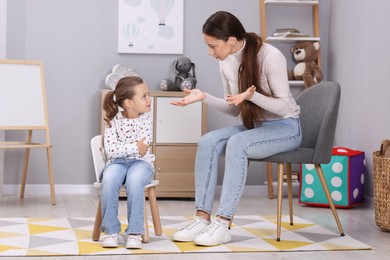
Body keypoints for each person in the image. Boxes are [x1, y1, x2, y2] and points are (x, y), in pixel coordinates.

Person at [171, 11, 302, 247]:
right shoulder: (226, 63)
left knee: (237, 143)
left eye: (213, 46)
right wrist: (203, 97)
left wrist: (252, 97)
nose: (210, 52)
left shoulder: (270, 56)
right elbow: (234, 108)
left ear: (231, 39)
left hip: (286, 127)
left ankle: (222, 223)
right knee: (208, 141)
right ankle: (202, 218)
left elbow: (283, 107)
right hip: (257, 127)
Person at [100, 76, 155, 249]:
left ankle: (135, 232)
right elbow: (111, 151)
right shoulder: (112, 120)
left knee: (134, 181)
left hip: (141, 163)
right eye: (144, 96)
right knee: (108, 180)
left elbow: (143, 149)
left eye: (148, 95)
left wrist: (126, 147)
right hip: (117, 163)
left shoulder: (146, 120)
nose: (149, 99)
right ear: (128, 103)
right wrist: (134, 147)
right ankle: (110, 231)